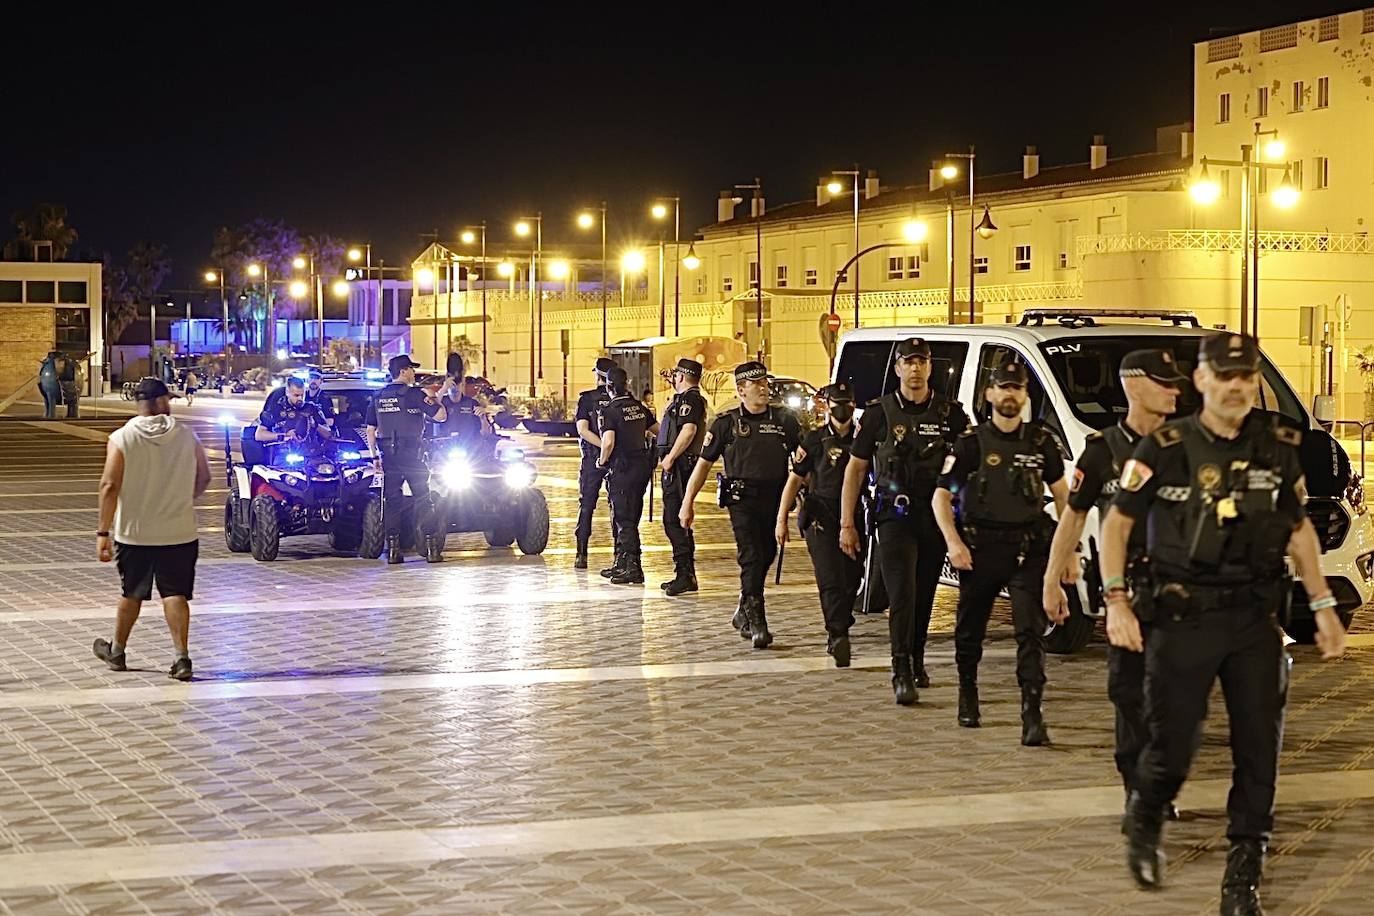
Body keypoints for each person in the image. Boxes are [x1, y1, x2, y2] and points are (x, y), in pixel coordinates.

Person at [1101, 332, 1345, 909]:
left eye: (1245, 376)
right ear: (1202, 381)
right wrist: (1115, 601)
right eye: (1224, 376)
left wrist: (1322, 602)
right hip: (1182, 619)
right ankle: (1146, 812)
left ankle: (1243, 877)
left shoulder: (1278, 444)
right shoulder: (1162, 447)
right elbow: (1117, 525)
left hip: (1255, 619)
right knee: (1173, 749)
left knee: (1259, 750)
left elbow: (1297, 527)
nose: (1236, 387)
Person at [1041, 350, 1185, 820]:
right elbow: (1073, 516)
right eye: (1164, 382)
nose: (1176, 391)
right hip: (1125, 592)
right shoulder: (1103, 450)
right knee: (1128, 692)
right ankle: (1137, 784)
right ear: (1134, 385)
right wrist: (1051, 579)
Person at [933, 359, 1068, 745]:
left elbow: (1064, 501)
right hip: (981, 549)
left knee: (1031, 631)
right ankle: (968, 694)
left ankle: (1032, 711)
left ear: (1025, 396)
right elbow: (941, 498)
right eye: (1003, 388)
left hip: (1028, 551)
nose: (1010, 395)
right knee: (970, 629)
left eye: (1017, 388)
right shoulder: (971, 444)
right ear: (989, 394)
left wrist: (1069, 554)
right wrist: (953, 543)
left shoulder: (1041, 443)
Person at [839, 338, 971, 704]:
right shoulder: (879, 414)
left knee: (925, 592)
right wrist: (846, 522)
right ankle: (900, 668)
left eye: (921, 362)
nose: (915, 369)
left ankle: (916, 658)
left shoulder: (951, 415)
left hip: (935, 518)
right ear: (897, 368)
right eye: (907, 362)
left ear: (930, 367)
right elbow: (856, 468)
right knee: (902, 594)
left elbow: (968, 465)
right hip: (893, 516)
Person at [92, 378, 212, 682]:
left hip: (135, 533)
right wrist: (184, 500)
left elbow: (109, 485)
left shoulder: (122, 438)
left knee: (131, 592)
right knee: (175, 593)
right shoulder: (188, 436)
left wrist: (102, 533)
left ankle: (117, 651)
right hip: (180, 531)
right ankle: (181, 657)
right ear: (161, 401)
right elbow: (205, 476)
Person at [681, 361, 803, 649]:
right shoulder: (726, 424)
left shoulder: (784, 420)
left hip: (774, 498)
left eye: (764, 383)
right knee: (750, 555)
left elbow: (802, 458)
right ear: (741, 390)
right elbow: (703, 466)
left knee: (767, 553)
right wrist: (688, 502)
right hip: (742, 500)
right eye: (756, 384)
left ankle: (744, 605)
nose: (763, 388)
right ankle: (758, 621)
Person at [777, 382, 862, 667]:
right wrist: (782, 519)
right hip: (821, 517)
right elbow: (795, 478)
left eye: (847, 403)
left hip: (854, 517)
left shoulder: (864, 440)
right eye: (837, 402)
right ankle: (838, 634)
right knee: (830, 577)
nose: (842, 409)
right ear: (828, 405)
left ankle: (841, 619)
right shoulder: (814, 439)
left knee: (852, 577)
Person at [365, 355, 448, 564]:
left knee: (392, 502)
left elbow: (370, 430)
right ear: (403, 371)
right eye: (411, 369)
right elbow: (441, 417)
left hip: (388, 455)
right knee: (423, 499)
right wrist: (435, 399)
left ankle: (393, 551)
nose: (414, 373)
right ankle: (432, 549)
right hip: (412, 455)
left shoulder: (378, 396)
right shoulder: (413, 394)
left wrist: (375, 456)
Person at [598, 367, 658, 585]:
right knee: (632, 515)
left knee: (623, 519)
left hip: (622, 468)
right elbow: (658, 432)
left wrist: (602, 461)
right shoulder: (640, 407)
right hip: (641, 467)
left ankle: (633, 567)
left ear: (609, 386)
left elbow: (608, 442)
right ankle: (621, 563)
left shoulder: (610, 410)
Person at [657, 358, 708, 595]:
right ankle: (684, 573)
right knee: (677, 519)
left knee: (675, 520)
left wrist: (670, 458)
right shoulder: (683, 399)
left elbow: (688, 431)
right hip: (677, 464)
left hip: (680, 465)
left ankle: (685, 574)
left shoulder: (690, 400)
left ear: (680, 377)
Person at [573, 357, 616, 570]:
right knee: (616, 506)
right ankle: (620, 555)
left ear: (598, 376)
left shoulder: (586, 399)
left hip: (592, 459)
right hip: (616, 459)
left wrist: (601, 448)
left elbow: (582, 430)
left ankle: (581, 554)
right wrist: (610, 448)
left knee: (587, 505)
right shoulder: (619, 398)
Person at [256, 377, 332, 444]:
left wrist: (315, 425)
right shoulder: (276, 410)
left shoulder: (312, 409)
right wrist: (283, 436)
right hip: (283, 453)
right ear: (287, 393)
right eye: (296, 395)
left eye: (302, 395)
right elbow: (259, 435)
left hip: (311, 454)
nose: (300, 399)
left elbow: (328, 434)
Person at [56, 352, 81, 418]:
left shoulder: (66, 365)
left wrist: (59, 377)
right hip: (71, 381)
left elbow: (64, 373)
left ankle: (72, 413)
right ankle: (73, 413)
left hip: (67, 381)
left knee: (71, 399)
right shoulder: (72, 364)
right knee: (73, 400)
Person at [37, 351, 61, 419]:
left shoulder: (47, 363)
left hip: (47, 386)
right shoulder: (49, 363)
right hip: (48, 385)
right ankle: (50, 413)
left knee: (48, 397)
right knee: (48, 397)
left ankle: (50, 413)